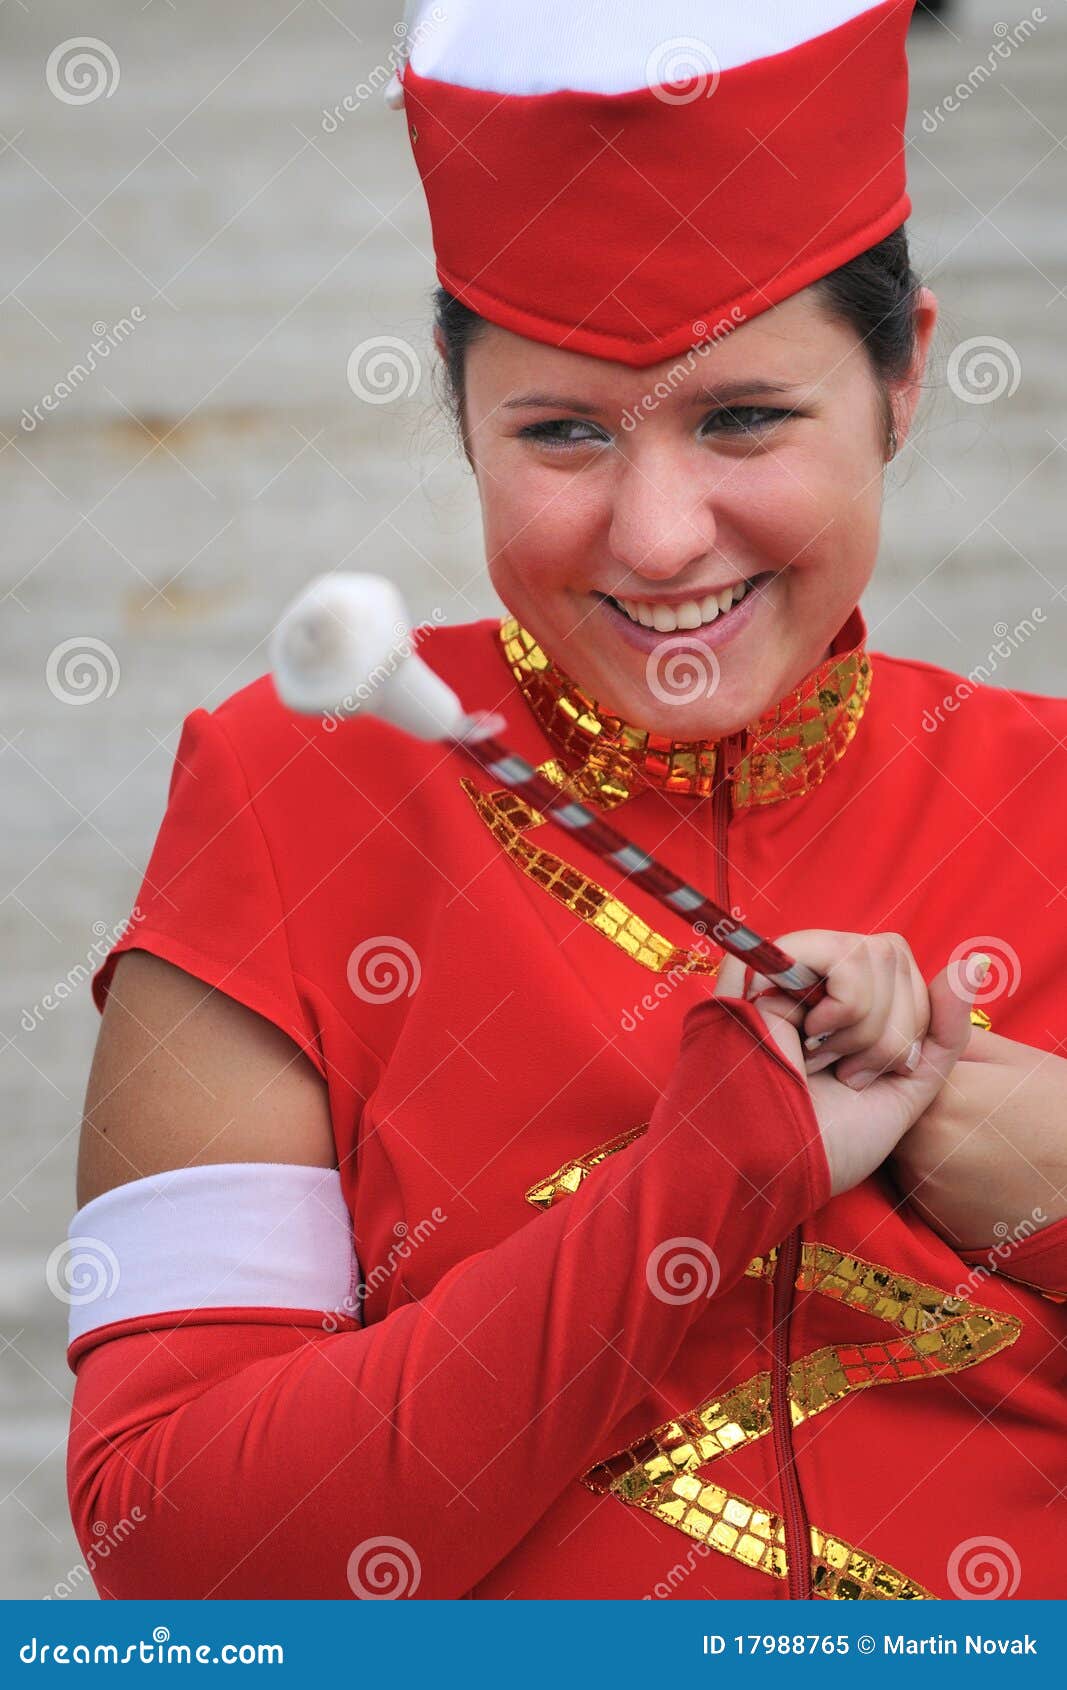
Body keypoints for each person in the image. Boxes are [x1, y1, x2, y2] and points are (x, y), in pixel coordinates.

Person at [65, 0, 1067, 1601]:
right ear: (462, 415)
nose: (660, 534)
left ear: (905, 376)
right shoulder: (285, 787)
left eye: (746, 415)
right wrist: (705, 1176)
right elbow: (171, 1554)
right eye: (565, 432)